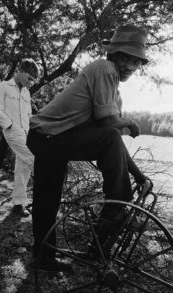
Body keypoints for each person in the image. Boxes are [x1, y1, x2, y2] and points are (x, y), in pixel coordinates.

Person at [27, 24, 150, 271]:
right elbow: (109, 126)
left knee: (47, 200)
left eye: (135, 62)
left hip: (52, 139)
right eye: (125, 58)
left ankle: (44, 257)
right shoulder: (105, 68)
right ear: (114, 54)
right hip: (47, 137)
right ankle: (117, 205)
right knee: (110, 136)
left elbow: (112, 140)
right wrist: (129, 122)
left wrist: (138, 175)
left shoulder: (115, 94)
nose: (129, 66)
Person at [0, 58, 39, 217]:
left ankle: (18, 204)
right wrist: (9, 125)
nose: (31, 83)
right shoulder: (3, 86)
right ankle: (46, 198)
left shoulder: (26, 92)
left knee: (22, 168)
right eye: (30, 78)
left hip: (26, 133)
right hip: (12, 131)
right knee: (34, 159)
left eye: (33, 80)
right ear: (21, 71)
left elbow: (28, 114)